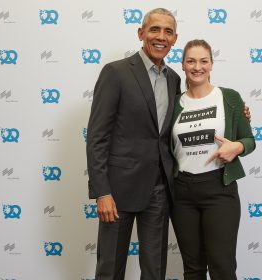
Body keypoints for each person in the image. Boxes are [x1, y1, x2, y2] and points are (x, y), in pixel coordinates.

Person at [86, 8, 180, 280]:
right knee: (110, 269)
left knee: (155, 271)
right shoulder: (115, 72)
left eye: (168, 31)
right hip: (117, 192)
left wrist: (236, 114)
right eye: (154, 29)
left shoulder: (174, 79)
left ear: (174, 39)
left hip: (159, 190)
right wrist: (102, 192)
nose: (161, 37)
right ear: (141, 34)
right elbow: (97, 137)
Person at [171, 39, 256, 280]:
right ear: (183, 65)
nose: (197, 67)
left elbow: (249, 140)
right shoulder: (174, 104)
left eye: (203, 61)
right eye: (191, 61)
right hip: (182, 193)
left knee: (222, 267)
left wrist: (237, 147)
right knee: (193, 268)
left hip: (219, 189)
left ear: (211, 64)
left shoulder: (229, 97)